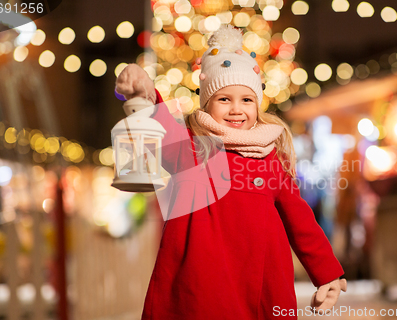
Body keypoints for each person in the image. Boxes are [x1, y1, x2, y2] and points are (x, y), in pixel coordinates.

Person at [115, 24, 346, 320]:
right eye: (224, 99)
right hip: (201, 285)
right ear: (208, 103)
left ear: (257, 103)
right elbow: (161, 133)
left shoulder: (270, 155)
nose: (236, 109)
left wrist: (326, 272)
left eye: (246, 99)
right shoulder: (192, 148)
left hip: (259, 284)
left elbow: (299, 218)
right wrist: (146, 94)